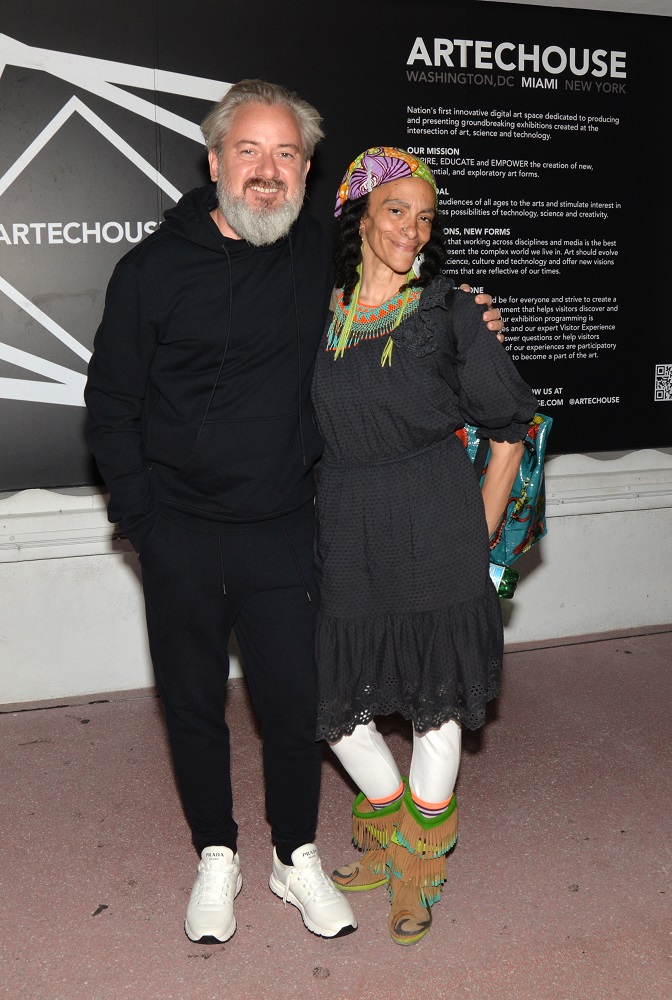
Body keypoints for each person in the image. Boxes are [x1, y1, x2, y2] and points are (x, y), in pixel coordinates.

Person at [84, 83, 503, 946]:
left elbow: (403, 288)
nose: (268, 173)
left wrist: (473, 316)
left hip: (285, 527)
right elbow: (111, 407)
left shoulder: (317, 257)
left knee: (294, 705)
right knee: (194, 704)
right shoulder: (150, 271)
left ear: (308, 173)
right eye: (250, 151)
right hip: (181, 533)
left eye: (286, 157)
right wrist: (144, 525)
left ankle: (294, 853)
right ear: (215, 161)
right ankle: (215, 854)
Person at [311, 147, 538, 945]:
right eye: (397, 210)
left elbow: (512, 427)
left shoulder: (450, 311)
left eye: (425, 215)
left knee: (437, 706)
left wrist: (474, 529)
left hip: (434, 514)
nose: (413, 228)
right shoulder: (323, 308)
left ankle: (419, 859)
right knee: (334, 700)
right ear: (360, 215)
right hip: (345, 523)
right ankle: (387, 816)